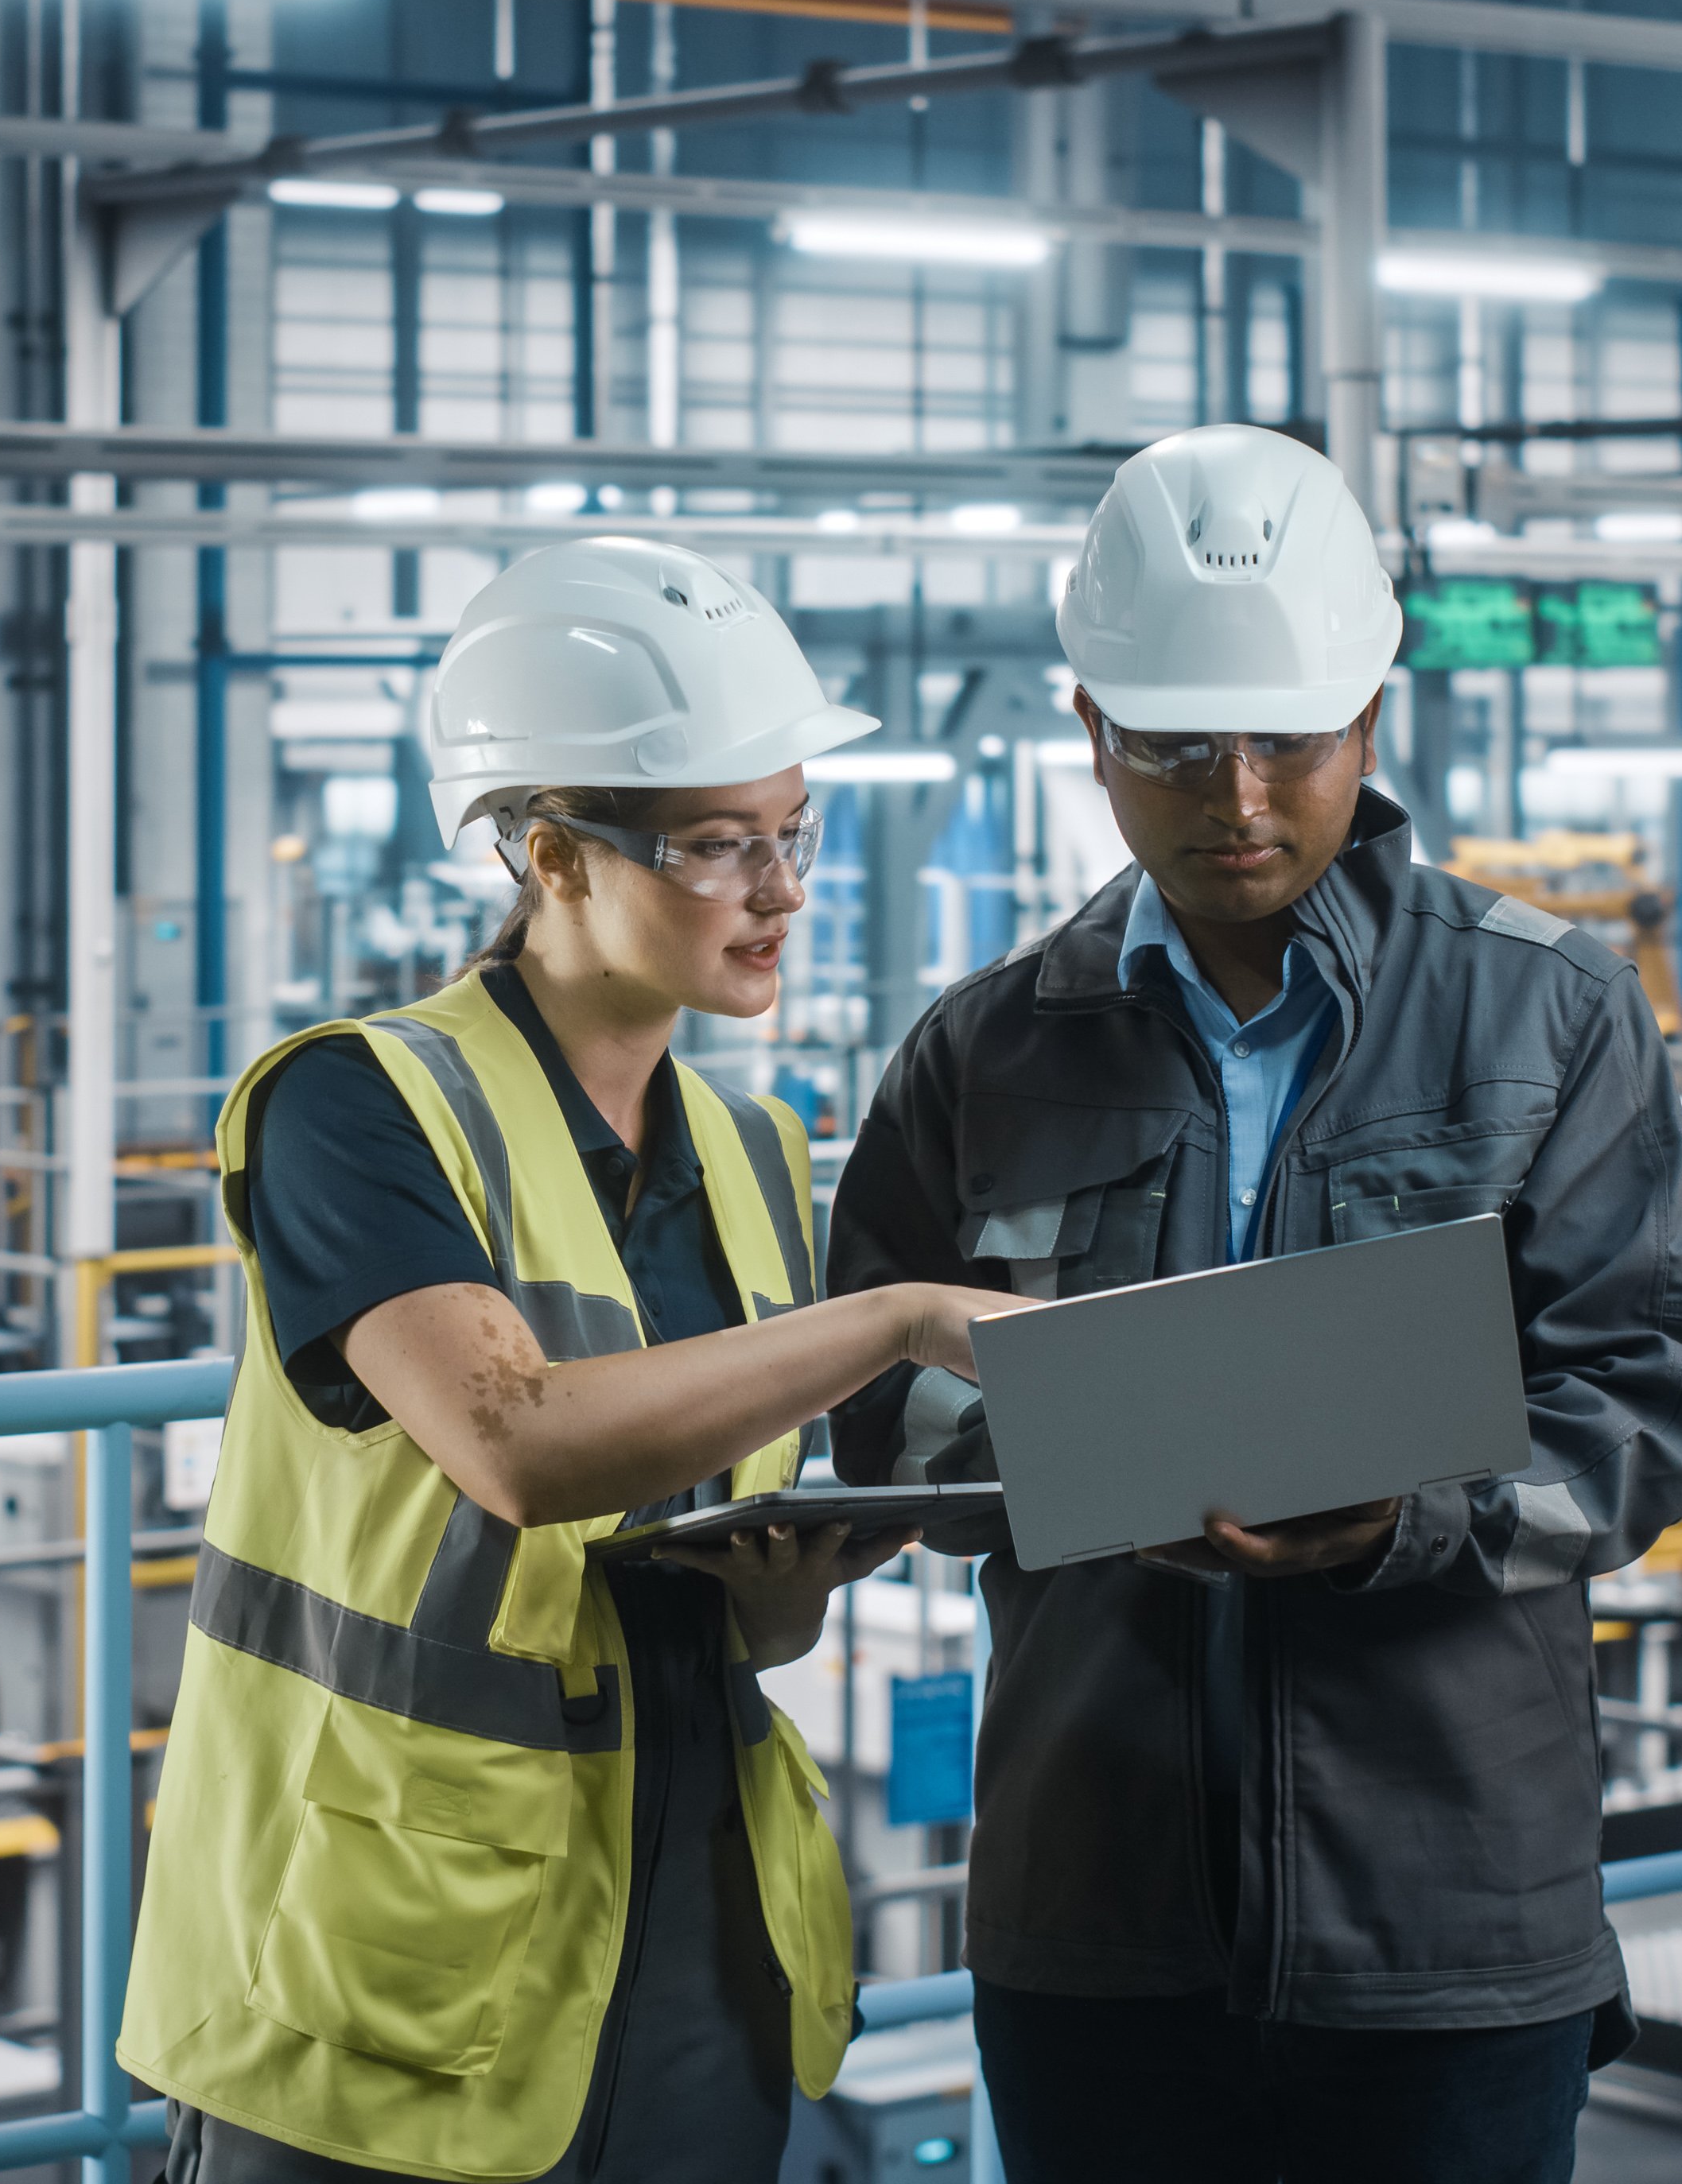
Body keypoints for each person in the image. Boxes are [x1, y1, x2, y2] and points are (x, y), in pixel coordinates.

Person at [825, 425, 1682, 2184]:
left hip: (1446, 1910)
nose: (1239, 798)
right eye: (1177, 749)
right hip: (1098, 1907)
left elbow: (1652, 1397)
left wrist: (1406, 1518)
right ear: (1089, 733)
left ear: (1371, 727)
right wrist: (1086, 1463)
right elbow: (885, 1414)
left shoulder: (1545, 1017)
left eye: (1289, 744)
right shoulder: (984, 1050)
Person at [124, 535, 1024, 2184]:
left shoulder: (754, 1150)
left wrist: (782, 1588)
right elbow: (517, 1444)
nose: (781, 889)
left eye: (792, 833)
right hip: (386, 1953)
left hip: (692, 1933)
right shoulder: (358, 1105)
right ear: (552, 854)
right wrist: (903, 1318)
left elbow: (706, 1567)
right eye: (715, 844)